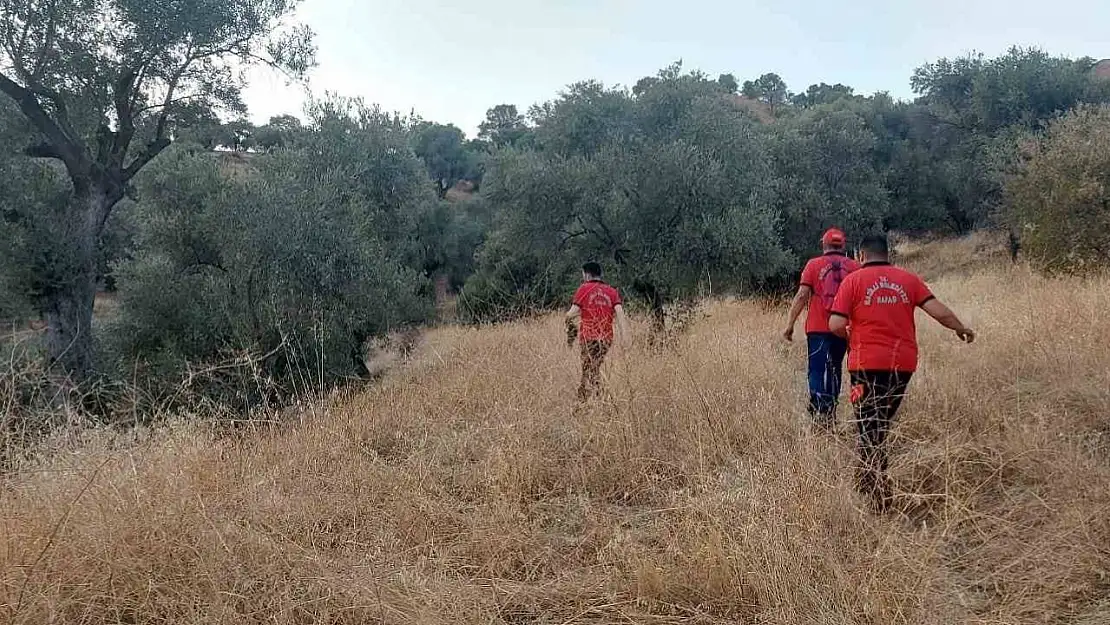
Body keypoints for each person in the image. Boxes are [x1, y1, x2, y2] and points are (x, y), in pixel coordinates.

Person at [828, 234, 976, 510]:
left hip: (865, 364)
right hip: (902, 364)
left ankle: (878, 494)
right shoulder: (908, 279)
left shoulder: (853, 281)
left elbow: (836, 323)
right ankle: (867, 482)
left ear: (861, 256)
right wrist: (960, 327)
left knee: (869, 426)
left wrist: (850, 336)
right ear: (887, 254)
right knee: (879, 423)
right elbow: (938, 311)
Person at [782, 227, 860, 425]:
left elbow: (801, 296)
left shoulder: (813, 265)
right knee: (835, 368)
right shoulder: (855, 267)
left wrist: (790, 324)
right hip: (843, 328)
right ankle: (831, 410)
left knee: (816, 370)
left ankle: (818, 410)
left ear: (823, 245)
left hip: (817, 328)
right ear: (843, 245)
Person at [565, 262, 630, 402]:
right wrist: (625, 337)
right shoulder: (612, 292)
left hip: (588, 337)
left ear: (587, 274)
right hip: (606, 339)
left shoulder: (584, 288)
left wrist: (569, 324)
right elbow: (620, 315)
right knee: (593, 368)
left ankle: (590, 400)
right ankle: (594, 400)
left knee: (589, 369)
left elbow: (572, 314)